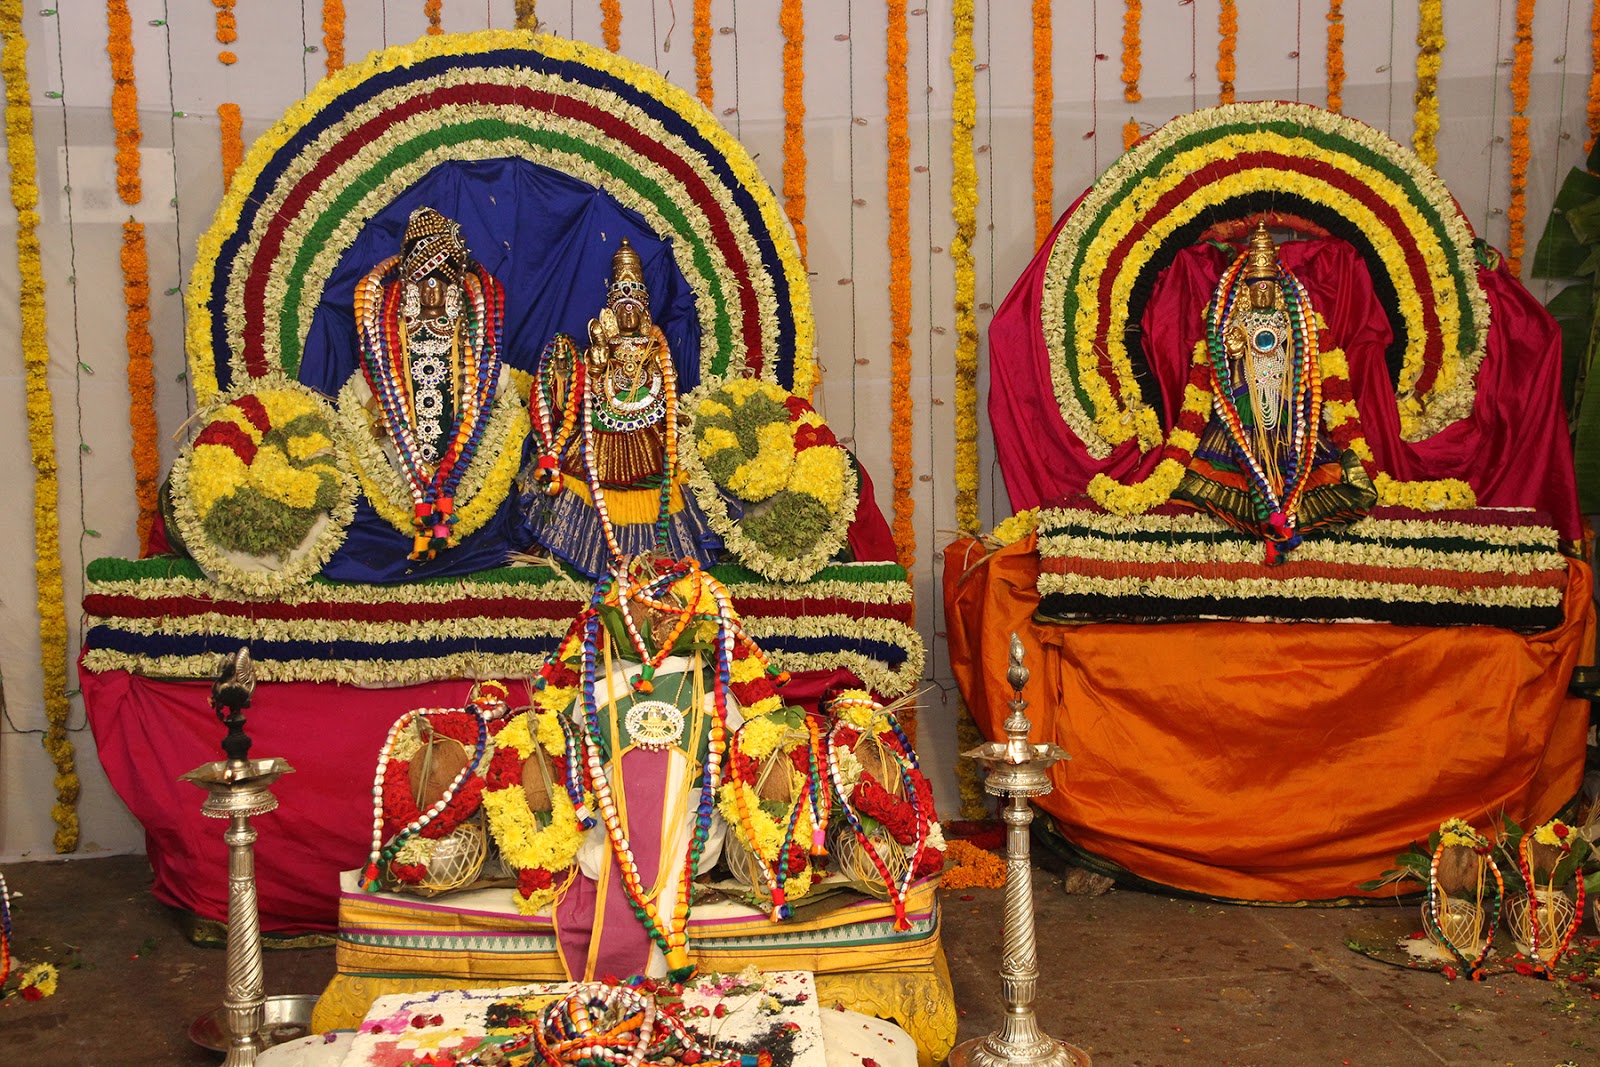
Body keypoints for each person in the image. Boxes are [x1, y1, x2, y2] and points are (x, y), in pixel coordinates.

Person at [1172, 222, 1376, 561]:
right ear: (1248, 291)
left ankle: (1286, 509)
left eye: (1268, 288)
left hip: (1282, 393)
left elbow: (1304, 357)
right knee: (1243, 437)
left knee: (1290, 440)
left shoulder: (1291, 318)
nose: (1263, 295)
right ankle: (1259, 512)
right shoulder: (1236, 318)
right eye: (1258, 289)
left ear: (1277, 290)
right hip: (1246, 392)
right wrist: (1233, 346)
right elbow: (1225, 357)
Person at [520, 238, 720, 577]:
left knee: (669, 478)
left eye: (634, 308)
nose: (628, 313)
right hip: (604, 429)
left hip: (650, 429)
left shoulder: (655, 347)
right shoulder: (604, 344)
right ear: (613, 312)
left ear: (643, 312)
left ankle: (658, 553)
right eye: (622, 308)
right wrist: (597, 362)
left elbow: (666, 385)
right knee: (578, 473)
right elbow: (589, 384)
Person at [347, 207, 518, 563]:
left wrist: (479, 398)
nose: (432, 290)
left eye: (439, 282)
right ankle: (427, 524)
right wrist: (380, 409)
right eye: (424, 282)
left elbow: (488, 374)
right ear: (411, 289)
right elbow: (374, 374)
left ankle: (440, 524)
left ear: (452, 290)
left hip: (459, 433)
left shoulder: (468, 329)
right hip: (403, 434)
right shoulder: (392, 328)